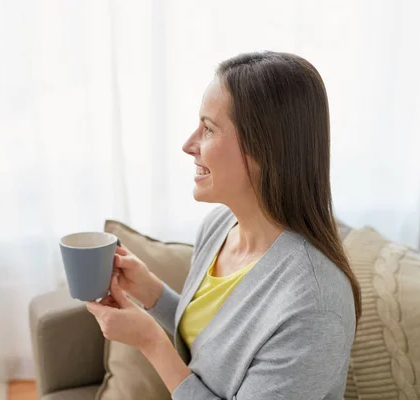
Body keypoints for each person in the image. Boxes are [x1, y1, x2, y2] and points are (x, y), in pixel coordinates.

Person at [86, 51, 362, 400]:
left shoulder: (314, 307)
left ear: (265, 148)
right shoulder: (220, 226)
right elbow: (215, 348)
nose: (189, 145)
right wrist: (151, 292)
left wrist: (151, 342)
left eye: (209, 129)